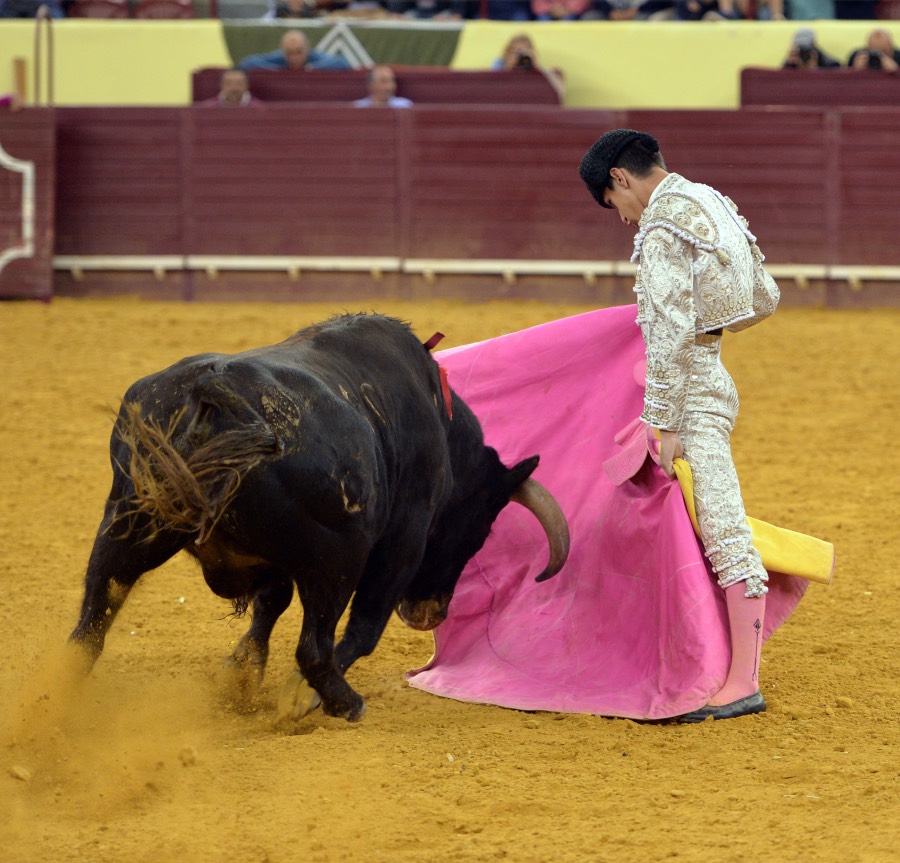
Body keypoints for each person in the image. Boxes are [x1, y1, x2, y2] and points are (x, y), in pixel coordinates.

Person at [578, 129, 782, 722]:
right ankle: (700, 653)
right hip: (713, 375)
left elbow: (667, 329)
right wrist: (711, 332)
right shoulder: (710, 200)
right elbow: (763, 296)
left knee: (720, 524)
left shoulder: (663, 225)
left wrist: (662, 420)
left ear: (619, 178)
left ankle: (741, 680)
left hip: (689, 395)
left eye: (612, 203)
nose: (621, 219)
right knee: (697, 518)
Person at [490, 33, 566, 100]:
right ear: (507, 54)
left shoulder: (535, 70)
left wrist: (537, 67)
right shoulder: (499, 65)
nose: (520, 57)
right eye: (516, 52)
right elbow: (491, 92)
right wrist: (508, 67)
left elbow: (559, 94)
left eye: (523, 52)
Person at [237, 29, 351, 71]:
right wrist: (280, 69)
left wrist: (311, 68)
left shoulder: (314, 56)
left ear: (307, 48)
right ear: (282, 50)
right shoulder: (280, 57)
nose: (294, 57)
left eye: (299, 52)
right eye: (289, 53)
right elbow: (246, 63)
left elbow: (342, 63)